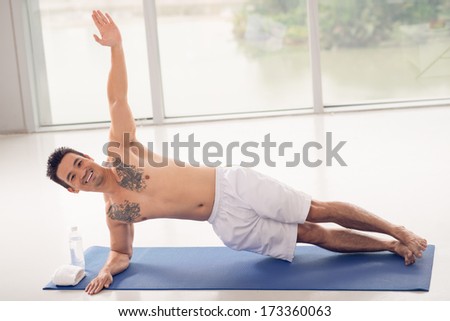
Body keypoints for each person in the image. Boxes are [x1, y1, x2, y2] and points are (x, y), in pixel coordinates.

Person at [46, 10, 427, 295]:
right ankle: (391, 247)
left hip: (232, 185)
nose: (84, 172)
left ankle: (398, 230)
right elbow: (121, 252)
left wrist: (116, 48)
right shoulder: (116, 213)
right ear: (73, 189)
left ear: (89, 157)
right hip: (226, 224)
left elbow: (117, 99)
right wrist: (108, 270)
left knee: (317, 209)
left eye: (80, 162)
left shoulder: (123, 152)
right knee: (311, 234)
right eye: (74, 176)